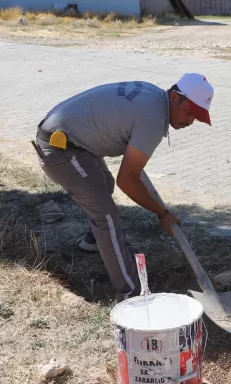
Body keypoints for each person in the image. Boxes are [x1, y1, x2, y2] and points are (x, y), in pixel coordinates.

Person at [34, 73, 214, 302]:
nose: (191, 121)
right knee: (106, 216)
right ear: (176, 98)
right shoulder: (153, 118)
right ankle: (131, 292)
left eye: (197, 117)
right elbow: (127, 180)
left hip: (72, 140)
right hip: (59, 149)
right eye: (190, 112)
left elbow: (127, 167)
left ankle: (93, 241)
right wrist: (163, 213)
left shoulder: (154, 95)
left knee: (104, 184)